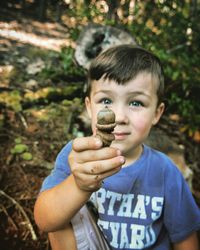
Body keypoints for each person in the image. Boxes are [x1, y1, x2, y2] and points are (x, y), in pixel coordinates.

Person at [34, 45, 200, 250]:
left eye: (136, 103)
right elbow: (45, 221)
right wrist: (78, 185)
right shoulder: (77, 156)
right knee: (62, 209)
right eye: (105, 101)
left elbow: (185, 239)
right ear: (89, 107)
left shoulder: (165, 170)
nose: (119, 117)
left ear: (157, 113)